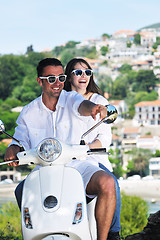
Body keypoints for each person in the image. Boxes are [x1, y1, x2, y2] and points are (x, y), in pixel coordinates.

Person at [4, 58, 120, 240]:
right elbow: (20, 139)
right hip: (45, 170)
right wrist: (13, 149)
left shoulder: (71, 97)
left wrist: (93, 109)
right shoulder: (29, 111)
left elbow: (82, 106)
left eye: (61, 78)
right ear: (39, 81)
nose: (57, 83)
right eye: (51, 79)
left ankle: (104, 238)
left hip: (78, 166)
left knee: (108, 182)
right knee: (21, 190)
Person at [64, 57, 121, 239]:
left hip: (92, 158)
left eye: (87, 72)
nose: (84, 76)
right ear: (68, 76)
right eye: (78, 72)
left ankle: (113, 233)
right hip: (65, 159)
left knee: (112, 183)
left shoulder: (99, 101)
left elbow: (104, 139)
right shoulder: (61, 101)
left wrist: (83, 147)